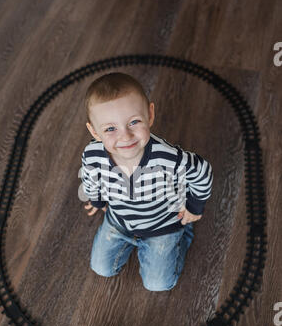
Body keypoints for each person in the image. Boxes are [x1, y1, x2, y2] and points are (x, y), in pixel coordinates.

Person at [78, 72, 213, 291]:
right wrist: (97, 200)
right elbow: (91, 176)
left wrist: (194, 206)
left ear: (149, 115)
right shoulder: (93, 154)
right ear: (94, 131)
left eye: (134, 122)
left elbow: (202, 171)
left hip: (164, 224)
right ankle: (135, 241)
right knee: (101, 268)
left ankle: (183, 234)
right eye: (110, 128)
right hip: (120, 222)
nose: (125, 136)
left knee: (158, 284)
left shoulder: (169, 157)